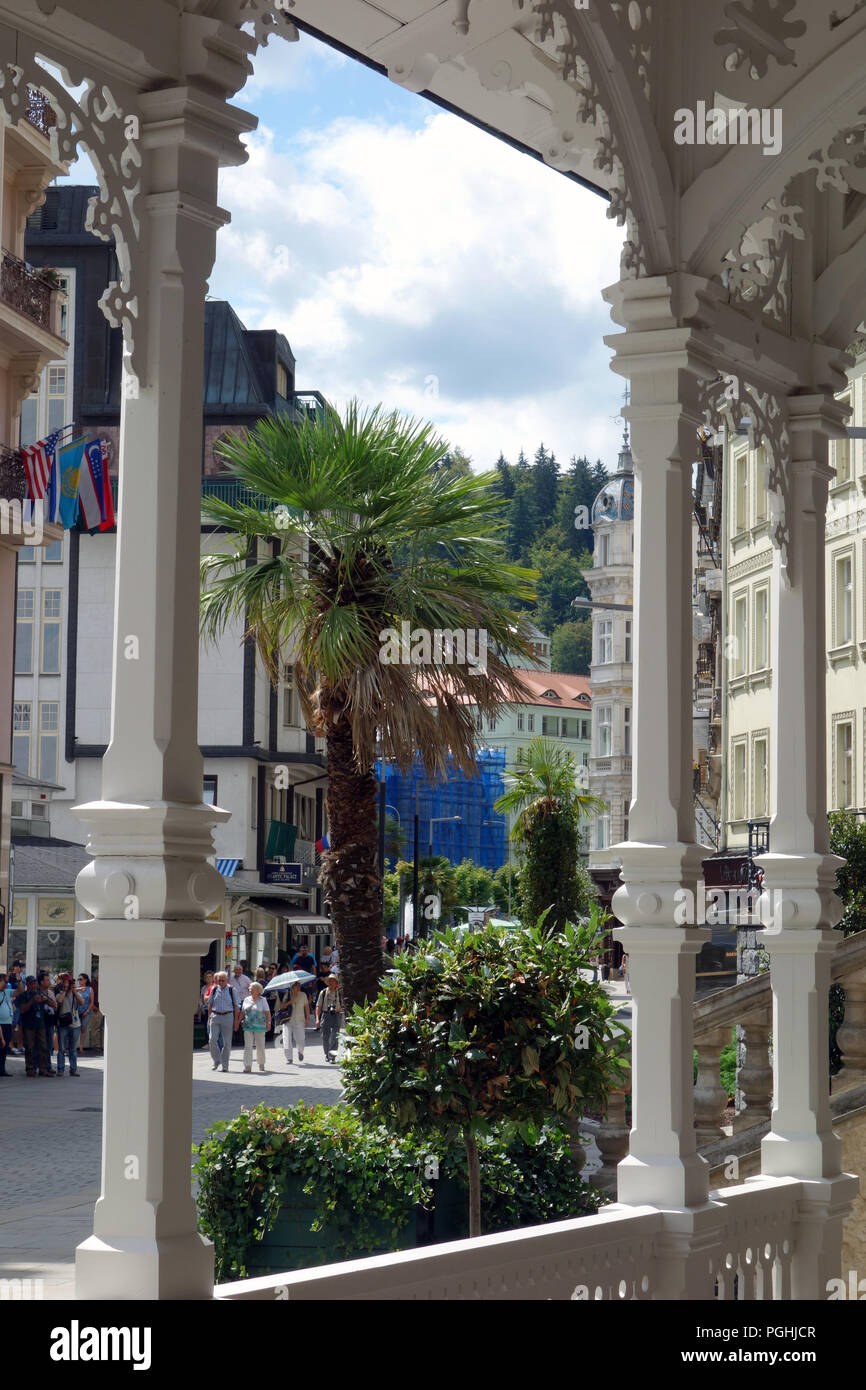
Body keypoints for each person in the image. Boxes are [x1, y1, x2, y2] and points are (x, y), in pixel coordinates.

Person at [19, 976, 55, 1076]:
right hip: (28, 1025)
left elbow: (54, 1005)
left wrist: (46, 1000)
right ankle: (30, 1068)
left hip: (40, 1024)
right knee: (29, 1047)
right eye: (31, 983)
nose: (34, 985)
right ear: (27, 984)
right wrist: (32, 1001)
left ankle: (43, 1069)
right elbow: (22, 1010)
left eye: (35, 983)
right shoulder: (24, 995)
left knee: (43, 1047)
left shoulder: (40, 993)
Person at [208, 971, 240, 1072]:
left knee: (227, 1042)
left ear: (227, 980)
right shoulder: (214, 989)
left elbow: (236, 1006)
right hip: (215, 1015)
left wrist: (236, 1021)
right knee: (212, 1040)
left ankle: (225, 1065)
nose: (221, 982)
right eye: (219, 980)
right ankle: (217, 1060)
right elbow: (210, 1004)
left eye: (223, 980)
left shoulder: (232, 990)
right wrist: (209, 1017)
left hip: (228, 1016)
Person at [55, 974, 85, 1075]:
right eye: (66, 982)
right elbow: (59, 1000)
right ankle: (60, 1069)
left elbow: (81, 1002)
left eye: (70, 982)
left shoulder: (74, 993)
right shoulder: (60, 992)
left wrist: (74, 991)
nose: (68, 984)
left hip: (75, 1024)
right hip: (63, 1024)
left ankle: (73, 1069)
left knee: (72, 1049)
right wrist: (64, 990)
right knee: (62, 1049)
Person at [241, 981, 270, 1074]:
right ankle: (247, 1066)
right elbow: (242, 1013)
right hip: (248, 1025)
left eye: (252, 988)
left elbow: (267, 1013)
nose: (250, 989)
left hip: (260, 1026)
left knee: (260, 1045)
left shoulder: (263, 1000)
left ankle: (261, 1063)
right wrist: (237, 1022)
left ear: (258, 990)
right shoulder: (246, 999)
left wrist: (268, 1023)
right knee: (248, 1046)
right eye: (249, 988)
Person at [316, 973, 344, 1064]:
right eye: (329, 981)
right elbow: (318, 1006)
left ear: (336, 983)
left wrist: (339, 1009)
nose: (331, 983)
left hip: (336, 1015)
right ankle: (327, 1054)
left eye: (333, 981)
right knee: (325, 1036)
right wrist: (317, 1019)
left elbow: (344, 1005)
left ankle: (332, 1056)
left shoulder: (339, 993)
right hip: (326, 1014)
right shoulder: (323, 992)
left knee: (335, 1036)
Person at [280, 981, 309, 1065]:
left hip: (299, 1020)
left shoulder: (303, 994)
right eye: (296, 986)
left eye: (299, 985)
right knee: (287, 1039)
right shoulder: (287, 994)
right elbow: (282, 1007)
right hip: (288, 1020)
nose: (298, 987)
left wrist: (307, 1019)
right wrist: (291, 1001)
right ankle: (289, 1058)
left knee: (300, 1039)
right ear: (292, 987)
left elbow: (306, 1007)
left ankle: (300, 1051)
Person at [0, 973, 13, 1076]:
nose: (6, 983)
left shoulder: (7, 992)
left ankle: (2, 1069)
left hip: (8, 1023)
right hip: (0, 1024)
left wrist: (18, 981)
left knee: (4, 1048)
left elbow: (20, 992)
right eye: (4, 981)